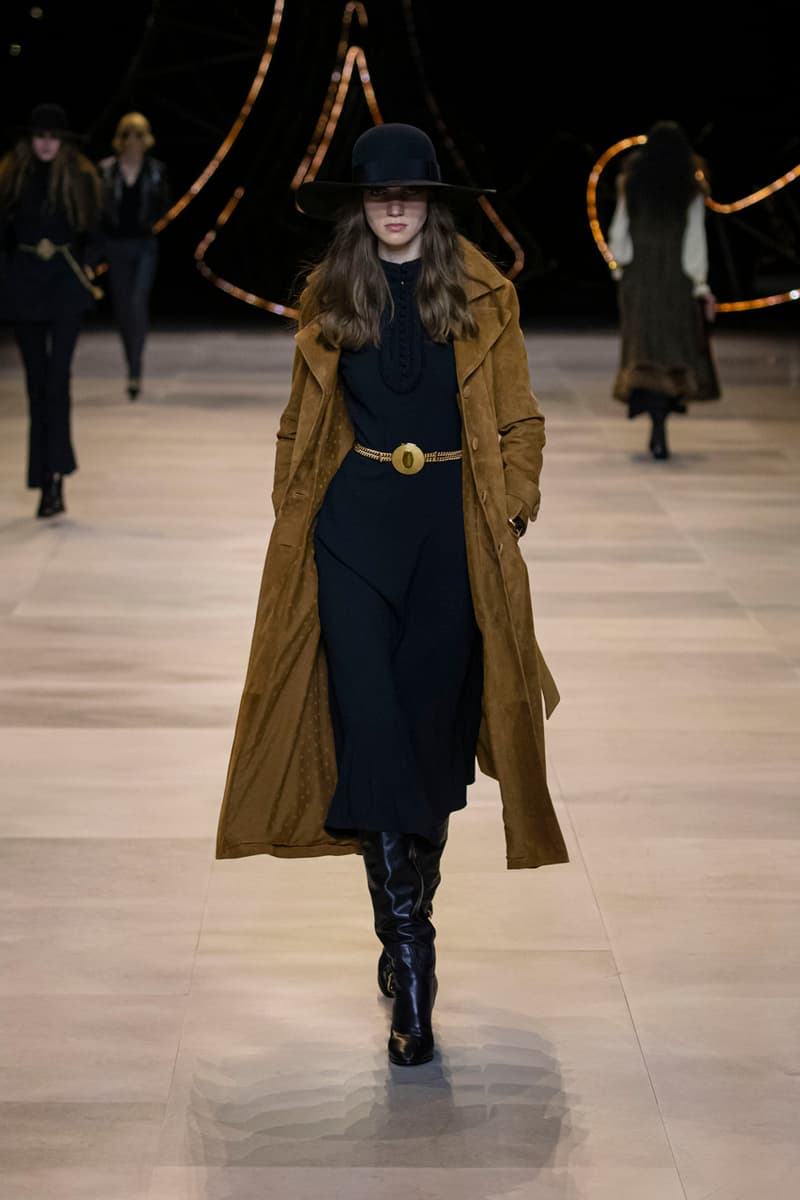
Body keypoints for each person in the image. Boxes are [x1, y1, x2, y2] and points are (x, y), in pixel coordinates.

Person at [215, 123, 568, 1067]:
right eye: (380, 195)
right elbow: (298, 425)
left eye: (411, 193)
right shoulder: (330, 296)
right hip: (353, 532)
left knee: (434, 741)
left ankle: (410, 907)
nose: (397, 206)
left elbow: (522, 420)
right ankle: (412, 957)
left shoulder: (486, 296)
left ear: (432, 205)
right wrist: (292, 503)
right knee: (371, 729)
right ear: (361, 207)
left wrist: (514, 505)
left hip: (453, 536)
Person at [0, 102, 104, 517]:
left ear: (62, 141)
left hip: (64, 286)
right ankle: (44, 479)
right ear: (30, 139)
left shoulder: (80, 177)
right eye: (39, 136)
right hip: (24, 286)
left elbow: (94, 230)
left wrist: (88, 266)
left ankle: (56, 479)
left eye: (52, 137)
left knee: (58, 381)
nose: (45, 143)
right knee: (36, 385)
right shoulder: (11, 176)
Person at [608, 119, 721, 459]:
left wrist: (622, 268)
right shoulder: (690, 186)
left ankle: (655, 423)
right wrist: (699, 284)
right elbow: (694, 242)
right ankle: (661, 427)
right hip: (675, 281)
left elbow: (619, 231)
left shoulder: (631, 182)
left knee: (643, 350)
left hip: (639, 278)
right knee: (671, 352)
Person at [97, 112, 170, 399]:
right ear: (120, 137)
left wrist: (149, 224)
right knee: (123, 310)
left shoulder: (156, 171)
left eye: (138, 134)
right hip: (115, 247)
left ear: (146, 138)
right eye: (127, 133)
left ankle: (136, 370)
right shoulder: (106, 170)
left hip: (144, 247)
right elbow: (98, 210)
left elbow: (163, 205)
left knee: (137, 304)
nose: (133, 140)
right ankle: (131, 365)